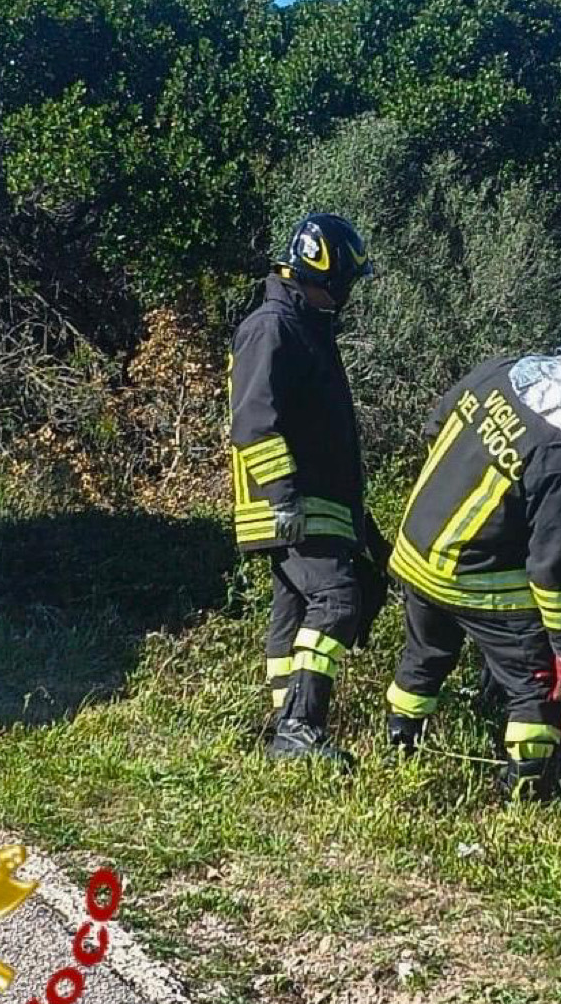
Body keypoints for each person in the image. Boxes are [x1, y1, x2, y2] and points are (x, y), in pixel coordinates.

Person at [382, 310, 561, 796]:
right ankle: (525, 797)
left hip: (413, 548)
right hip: (466, 574)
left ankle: (398, 758)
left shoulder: (503, 372)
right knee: (537, 689)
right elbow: (553, 564)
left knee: (423, 658)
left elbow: (436, 425)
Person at [229, 213, 387, 767]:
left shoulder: (305, 326)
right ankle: (299, 727)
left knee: (292, 614)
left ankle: (283, 731)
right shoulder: (274, 326)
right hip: (294, 507)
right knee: (339, 601)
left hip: (321, 507)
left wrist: (364, 527)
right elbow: (253, 420)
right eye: (344, 281)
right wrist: (282, 496)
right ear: (324, 271)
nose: (346, 295)